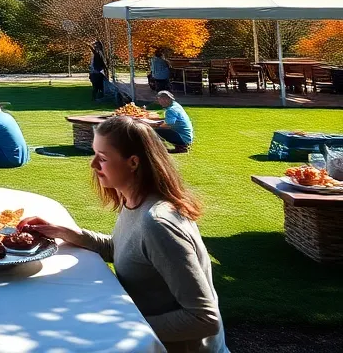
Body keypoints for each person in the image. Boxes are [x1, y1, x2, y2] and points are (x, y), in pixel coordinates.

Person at [19, 116, 227, 353]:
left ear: (133, 162)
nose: (93, 164)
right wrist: (67, 232)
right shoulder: (136, 203)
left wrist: (121, 325)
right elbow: (129, 251)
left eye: (103, 158)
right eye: (94, 154)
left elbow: (204, 319)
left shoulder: (158, 224)